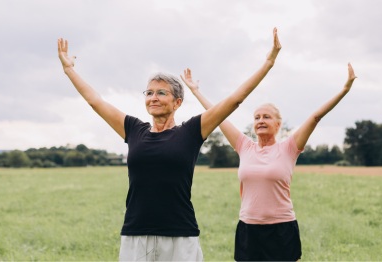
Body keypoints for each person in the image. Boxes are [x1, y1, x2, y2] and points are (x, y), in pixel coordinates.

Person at [57, 28, 281, 261]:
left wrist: (268, 63)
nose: (153, 97)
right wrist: (69, 70)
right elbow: (96, 102)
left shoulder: (191, 131)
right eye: (149, 92)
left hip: (180, 235)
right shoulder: (134, 129)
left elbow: (234, 100)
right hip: (136, 233)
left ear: (177, 102)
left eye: (161, 93)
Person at [181, 63, 357, 261]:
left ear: (278, 124)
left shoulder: (289, 147)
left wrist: (344, 89)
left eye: (266, 117)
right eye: (257, 118)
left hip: (281, 228)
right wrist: (196, 91)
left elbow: (315, 117)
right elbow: (218, 115)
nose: (261, 121)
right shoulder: (244, 146)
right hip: (248, 228)